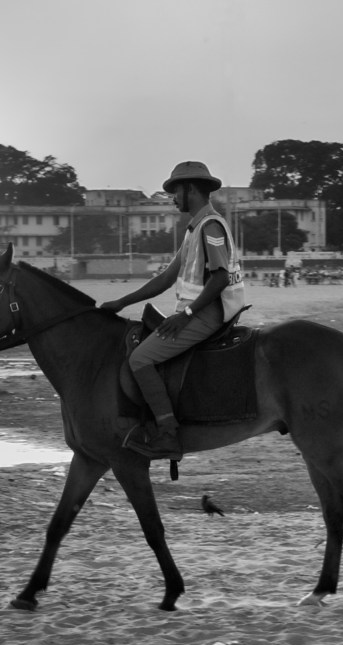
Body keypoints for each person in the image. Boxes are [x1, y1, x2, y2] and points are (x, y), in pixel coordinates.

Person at [100, 161, 245, 459]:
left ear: (190, 189)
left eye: (175, 191)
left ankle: (167, 433)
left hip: (209, 314)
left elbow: (218, 278)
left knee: (140, 358)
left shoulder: (211, 225)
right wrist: (122, 302)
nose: (173, 198)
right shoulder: (194, 229)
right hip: (197, 311)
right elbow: (166, 279)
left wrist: (186, 316)